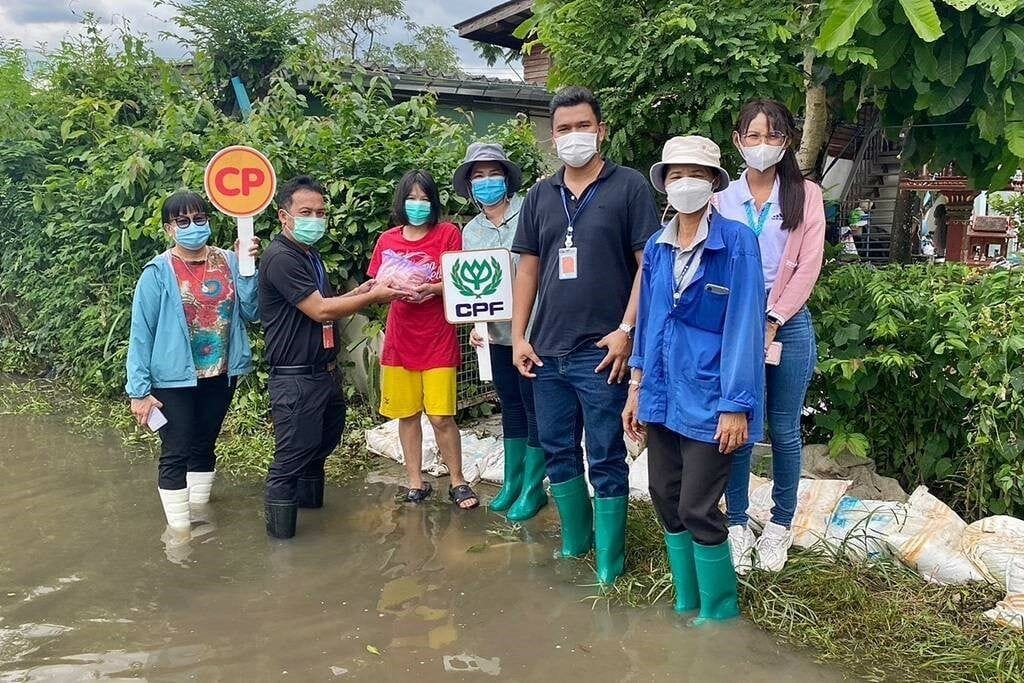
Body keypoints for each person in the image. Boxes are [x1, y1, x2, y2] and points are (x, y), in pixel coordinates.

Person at [511, 86, 661, 585]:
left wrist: (626, 330)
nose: (574, 136)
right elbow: (528, 271)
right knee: (556, 449)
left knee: (605, 453)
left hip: (602, 352)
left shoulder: (629, 187)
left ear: (601, 130)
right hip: (546, 351)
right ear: (551, 137)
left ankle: (609, 562)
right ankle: (576, 542)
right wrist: (518, 336)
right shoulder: (539, 195)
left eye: (582, 126)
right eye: (563, 129)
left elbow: (648, 266)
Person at [623, 136, 764, 623]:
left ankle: (720, 610)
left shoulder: (736, 242)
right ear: (664, 183)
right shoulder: (659, 249)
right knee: (664, 494)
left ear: (713, 184)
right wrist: (636, 388)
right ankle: (687, 598)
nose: (686, 184)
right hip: (662, 392)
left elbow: (745, 326)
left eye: (696, 175)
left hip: (712, 397)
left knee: (697, 505)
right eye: (676, 175)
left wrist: (735, 404)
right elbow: (650, 322)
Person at [260, 176, 406, 539]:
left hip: (322, 373)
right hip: (295, 377)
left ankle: (311, 515)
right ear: (284, 216)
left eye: (321, 212)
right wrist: (374, 298)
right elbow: (322, 311)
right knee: (291, 457)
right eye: (305, 212)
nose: (315, 218)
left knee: (319, 445)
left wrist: (360, 290)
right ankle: (282, 545)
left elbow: (326, 302)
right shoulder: (281, 257)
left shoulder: (310, 256)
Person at [718, 100, 826, 572]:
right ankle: (737, 523)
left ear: (787, 141)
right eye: (753, 136)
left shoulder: (806, 195)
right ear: (738, 140)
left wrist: (774, 318)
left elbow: (808, 266)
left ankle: (780, 526)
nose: (763, 146)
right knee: (738, 427)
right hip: (734, 327)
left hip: (789, 322)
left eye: (773, 136)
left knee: (783, 429)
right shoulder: (721, 198)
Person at [126, 189, 260, 539]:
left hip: (222, 372)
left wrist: (248, 269)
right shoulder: (157, 272)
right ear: (169, 229)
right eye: (182, 221)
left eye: (199, 219)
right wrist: (138, 391)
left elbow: (252, 311)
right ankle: (180, 537)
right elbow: (141, 333)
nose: (192, 226)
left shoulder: (228, 261)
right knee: (176, 449)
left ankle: (202, 518)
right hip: (173, 379)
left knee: (205, 443)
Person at [369, 170, 479, 510]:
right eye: (411, 198)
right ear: (402, 202)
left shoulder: (448, 234)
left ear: (434, 202)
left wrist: (430, 289)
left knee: (442, 416)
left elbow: (460, 282)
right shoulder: (387, 239)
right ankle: (415, 481)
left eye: (424, 198)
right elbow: (375, 285)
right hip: (400, 340)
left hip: (437, 338)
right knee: (407, 415)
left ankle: (457, 480)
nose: (418, 204)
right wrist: (391, 291)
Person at [454, 143, 548, 521]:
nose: (486, 181)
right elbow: (469, 286)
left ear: (507, 178)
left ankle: (533, 487)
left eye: (493, 173)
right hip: (496, 336)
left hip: (535, 331)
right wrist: (477, 327)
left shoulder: (531, 211)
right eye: (478, 176)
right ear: (469, 185)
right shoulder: (471, 231)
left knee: (535, 405)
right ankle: (512, 481)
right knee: (510, 404)